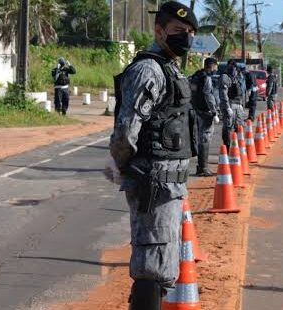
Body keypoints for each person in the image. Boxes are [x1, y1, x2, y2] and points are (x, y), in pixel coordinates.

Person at [107, 2, 198, 309]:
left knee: (162, 265)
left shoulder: (170, 67)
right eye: (177, 31)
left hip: (168, 186)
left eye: (189, 32)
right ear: (159, 32)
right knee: (152, 263)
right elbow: (126, 129)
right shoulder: (149, 70)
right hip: (152, 185)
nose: (185, 37)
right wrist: (121, 164)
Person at [191, 57, 220, 177]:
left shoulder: (195, 76)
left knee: (198, 138)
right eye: (216, 66)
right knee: (205, 139)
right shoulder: (206, 78)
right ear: (212, 66)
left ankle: (200, 166)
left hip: (195, 110)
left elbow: (191, 93)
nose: (216, 69)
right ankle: (203, 168)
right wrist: (214, 112)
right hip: (205, 112)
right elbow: (208, 96)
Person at [220, 59, 246, 150]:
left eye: (234, 66)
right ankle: (227, 148)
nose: (233, 68)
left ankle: (237, 148)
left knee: (239, 127)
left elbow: (242, 91)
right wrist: (227, 107)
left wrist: (242, 105)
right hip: (230, 104)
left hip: (238, 104)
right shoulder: (225, 77)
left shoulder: (238, 76)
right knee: (227, 127)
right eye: (231, 65)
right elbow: (223, 93)